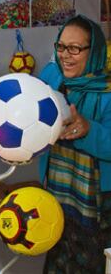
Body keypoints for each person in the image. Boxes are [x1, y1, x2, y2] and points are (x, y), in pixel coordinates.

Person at [39, 14, 111, 273]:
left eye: (75, 48)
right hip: (56, 197)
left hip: (99, 206)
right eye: (61, 47)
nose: (65, 55)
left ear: (94, 51)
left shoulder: (108, 90)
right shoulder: (51, 76)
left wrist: (88, 130)